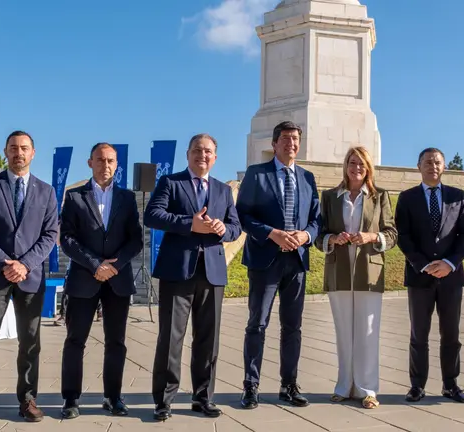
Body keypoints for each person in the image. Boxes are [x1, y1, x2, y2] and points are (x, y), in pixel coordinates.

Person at [0, 131, 59, 427]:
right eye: (14, 148)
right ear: (6, 152)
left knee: (31, 342)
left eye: (25, 148)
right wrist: (3, 262)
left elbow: (50, 234)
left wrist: (25, 264)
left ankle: (28, 399)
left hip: (30, 278)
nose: (19, 153)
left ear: (33, 153)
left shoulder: (46, 191)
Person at [145, 133, 242, 421]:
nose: (203, 155)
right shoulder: (170, 183)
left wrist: (224, 229)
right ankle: (164, 400)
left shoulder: (224, 191)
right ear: (187, 154)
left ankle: (203, 397)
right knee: (171, 338)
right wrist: (191, 225)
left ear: (215, 157)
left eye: (208, 151)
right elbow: (153, 216)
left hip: (212, 273)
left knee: (208, 340)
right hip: (178, 271)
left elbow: (236, 227)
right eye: (197, 150)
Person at [235, 121, 320, 409]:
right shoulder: (256, 175)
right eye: (285, 139)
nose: (291, 144)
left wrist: (306, 235)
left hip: (296, 261)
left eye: (295, 139)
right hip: (264, 259)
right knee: (257, 324)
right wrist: (273, 234)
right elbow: (242, 216)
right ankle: (251, 385)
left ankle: (289, 384)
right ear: (274, 144)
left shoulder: (308, 178)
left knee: (292, 327)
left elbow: (317, 220)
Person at [58, 143, 143, 419]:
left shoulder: (127, 198)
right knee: (75, 340)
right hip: (84, 278)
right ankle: (71, 399)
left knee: (116, 342)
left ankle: (113, 397)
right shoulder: (74, 197)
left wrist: (114, 266)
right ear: (89, 162)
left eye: (110, 161)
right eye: (99, 160)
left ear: (116, 164)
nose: (105, 165)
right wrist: (96, 264)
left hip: (117, 281)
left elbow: (135, 240)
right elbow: (68, 240)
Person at [314, 146, 397, 409]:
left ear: (368, 168)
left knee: (368, 331)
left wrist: (373, 237)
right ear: (345, 166)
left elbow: (392, 233)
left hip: (369, 270)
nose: (356, 168)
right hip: (339, 268)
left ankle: (368, 390)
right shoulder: (329, 197)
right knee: (343, 331)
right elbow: (318, 235)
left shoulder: (379, 196)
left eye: (361, 164)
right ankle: (344, 386)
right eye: (352, 163)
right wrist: (332, 239)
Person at [395, 148, 464, 404]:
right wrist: (423, 264)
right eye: (428, 162)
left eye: (437, 162)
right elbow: (403, 236)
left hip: (451, 277)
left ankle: (451, 384)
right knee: (419, 334)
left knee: (451, 334)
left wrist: (450, 263)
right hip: (420, 277)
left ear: (444, 166)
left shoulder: (457, 196)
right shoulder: (406, 198)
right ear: (418, 166)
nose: (433, 166)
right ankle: (417, 386)